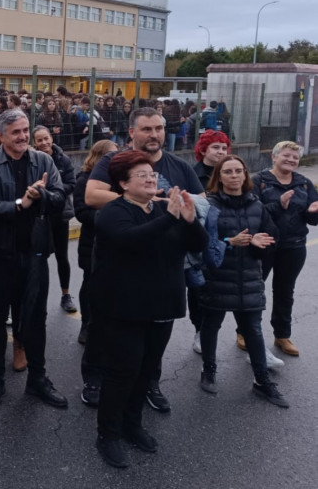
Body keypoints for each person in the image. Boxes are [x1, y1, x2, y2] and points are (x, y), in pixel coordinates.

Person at [85, 106, 205, 413]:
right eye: (147, 129)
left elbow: (200, 203)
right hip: (117, 268)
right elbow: (92, 196)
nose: (154, 135)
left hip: (161, 271)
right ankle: (95, 379)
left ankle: (150, 384)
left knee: (152, 342)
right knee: (105, 330)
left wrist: (186, 211)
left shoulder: (179, 165)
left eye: (159, 128)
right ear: (132, 133)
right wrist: (147, 202)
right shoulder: (115, 162)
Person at [92, 151, 207, 468]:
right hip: (123, 308)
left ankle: (133, 425)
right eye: (141, 174)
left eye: (152, 173)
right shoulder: (114, 212)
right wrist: (169, 218)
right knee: (122, 372)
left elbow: (198, 244)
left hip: (162, 304)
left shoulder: (163, 208)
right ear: (123, 184)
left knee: (146, 370)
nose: (150, 177)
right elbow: (130, 240)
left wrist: (189, 219)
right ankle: (108, 435)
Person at [0, 109, 68, 409]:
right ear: (0, 135)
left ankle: (38, 378)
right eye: (16, 132)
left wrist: (43, 197)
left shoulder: (44, 161)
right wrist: (19, 203)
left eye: (26, 130)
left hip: (35, 254)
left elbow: (60, 197)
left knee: (35, 319)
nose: (24, 137)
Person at [197, 155, 287, 406]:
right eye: (228, 172)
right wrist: (229, 242)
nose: (234, 176)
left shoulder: (257, 205)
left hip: (249, 278)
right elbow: (199, 242)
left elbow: (272, 238)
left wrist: (260, 243)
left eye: (239, 171)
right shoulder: (209, 205)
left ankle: (262, 381)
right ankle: (209, 370)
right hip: (217, 277)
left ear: (245, 174)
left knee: (254, 331)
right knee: (211, 325)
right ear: (219, 177)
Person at [250, 141, 318, 357]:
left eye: (295, 158)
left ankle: (282, 335)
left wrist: (313, 212)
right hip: (264, 243)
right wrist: (278, 204)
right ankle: (245, 331)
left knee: (285, 292)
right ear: (274, 157)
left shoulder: (304, 183)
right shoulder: (259, 181)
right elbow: (251, 213)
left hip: (294, 246)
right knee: (255, 291)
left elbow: (311, 219)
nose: (291, 160)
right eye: (286, 156)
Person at [189, 129, 231, 353]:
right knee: (198, 289)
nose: (221, 152)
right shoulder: (193, 175)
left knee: (224, 289)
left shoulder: (232, 172)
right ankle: (199, 330)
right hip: (201, 240)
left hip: (228, 237)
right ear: (203, 149)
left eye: (224, 148)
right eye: (216, 147)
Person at [74, 140, 118, 350]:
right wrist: (111, 216)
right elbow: (81, 213)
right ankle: (86, 325)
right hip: (91, 241)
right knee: (90, 284)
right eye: (111, 156)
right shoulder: (84, 180)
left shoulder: (118, 179)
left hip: (115, 242)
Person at [32, 125, 78, 313]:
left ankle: (65, 294)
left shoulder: (63, 159)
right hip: (39, 215)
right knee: (37, 258)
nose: (44, 143)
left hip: (59, 214)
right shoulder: (32, 160)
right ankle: (34, 296)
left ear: (51, 138)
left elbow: (71, 184)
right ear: (34, 143)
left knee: (62, 256)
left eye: (46, 138)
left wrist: (52, 192)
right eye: (39, 140)